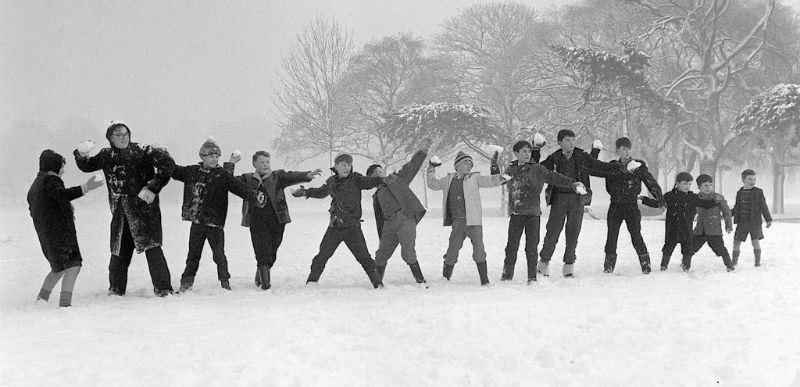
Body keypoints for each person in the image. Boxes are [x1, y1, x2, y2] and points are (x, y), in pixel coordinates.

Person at [74, 122, 176, 296]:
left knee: (153, 250)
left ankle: (164, 289)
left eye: (125, 134)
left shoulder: (143, 151)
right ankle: (116, 289)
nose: (123, 138)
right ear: (110, 139)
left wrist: (152, 188)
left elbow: (168, 165)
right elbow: (87, 166)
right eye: (118, 135)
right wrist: (81, 153)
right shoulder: (107, 154)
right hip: (120, 213)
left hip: (144, 211)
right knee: (119, 252)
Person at [171, 137, 267, 292]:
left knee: (219, 255)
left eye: (216, 156)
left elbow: (240, 188)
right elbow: (174, 170)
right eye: (210, 156)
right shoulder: (192, 171)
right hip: (197, 222)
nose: (214, 159)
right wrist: (162, 156)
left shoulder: (223, 175)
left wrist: (255, 197)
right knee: (193, 255)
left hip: (215, 223)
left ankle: (225, 282)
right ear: (202, 156)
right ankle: (186, 283)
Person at [226, 150, 320, 289]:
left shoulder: (277, 176)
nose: (265, 165)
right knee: (261, 248)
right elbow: (229, 181)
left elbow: (291, 176)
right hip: (256, 219)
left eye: (267, 162)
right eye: (262, 162)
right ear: (254, 164)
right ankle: (265, 282)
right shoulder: (247, 178)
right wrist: (230, 164)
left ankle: (261, 270)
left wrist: (307, 175)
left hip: (277, 220)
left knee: (272, 250)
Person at [537, 130, 623, 277]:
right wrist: (535, 150)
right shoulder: (555, 158)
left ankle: (569, 266)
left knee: (573, 233)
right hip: (559, 199)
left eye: (573, 140)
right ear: (560, 142)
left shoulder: (581, 156)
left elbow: (598, 166)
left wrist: (619, 166)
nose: (571, 143)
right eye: (568, 140)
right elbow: (538, 170)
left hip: (577, 200)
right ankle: (543, 263)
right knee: (552, 232)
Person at [292, 153, 384, 288]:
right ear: (336, 166)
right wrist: (306, 192)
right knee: (322, 255)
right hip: (335, 226)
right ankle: (312, 281)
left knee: (364, 257)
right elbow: (321, 192)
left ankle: (378, 283)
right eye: (343, 165)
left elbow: (370, 182)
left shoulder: (356, 179)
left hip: (352, 227)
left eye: (349, 165)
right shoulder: (331, 181)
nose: (347, 168)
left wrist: (383, 179)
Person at [29, 150, 104, 307]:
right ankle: (65, 304)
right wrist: (86, 187)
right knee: (73, 264)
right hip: (60, 234)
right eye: (61, 166)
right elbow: (62, 195)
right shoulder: (50, 181)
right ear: (53, 166)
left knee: (58, 268)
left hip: (47, 234)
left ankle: (41, 300)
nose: (63, 170)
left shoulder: (37, 184)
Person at [501, 140, 579, 284]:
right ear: (516, 153)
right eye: (523, 151)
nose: (527, 154)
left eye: (529, 151)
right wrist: (495, 167)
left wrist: (571, 183)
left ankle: (532, 277)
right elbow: (499, 180)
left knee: (531, 247)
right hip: (516, 213)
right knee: (512, 246)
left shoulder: (537, 168)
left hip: (533, 214)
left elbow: (553, 177)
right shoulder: (510, 169)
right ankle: (507, 275)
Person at [427, 151, 504, 286]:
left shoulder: (475, 178)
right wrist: (431, 169)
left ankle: (484, 280)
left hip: (474, 222)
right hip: (458, 222)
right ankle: (445, 278)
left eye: (470, 163)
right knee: (452, 250)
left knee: (479, 250)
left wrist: (498, 170)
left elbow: (492, 181)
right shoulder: (448, 180)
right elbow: (432, 184)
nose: (469, 165)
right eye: (465, 162)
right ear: (457, 166)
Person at [593, 137, 664, 274]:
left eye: (628, 148)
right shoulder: (613, 166)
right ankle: (609, 264)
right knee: (612, 236)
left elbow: (651, 183)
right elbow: (595, 169)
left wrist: (660, 199)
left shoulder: (638, 166)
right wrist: (595, 152)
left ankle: (645, 263)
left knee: (636, 235)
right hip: (615, 206)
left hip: (631, 206)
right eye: (623, 149)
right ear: (617, 150)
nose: (627, 151)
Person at [366, 139, 431, 286]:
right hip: (389, 224)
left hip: (404, 218)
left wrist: (422, 152)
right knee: (381, 254)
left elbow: (411, 167)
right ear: (370, 180)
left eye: (380, 171)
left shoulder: (396, 179)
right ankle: (378, 282)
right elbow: (379, 218)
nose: (379, 174)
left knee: (407, 253)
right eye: (374, 174)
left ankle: (420, 280)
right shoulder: (376, 196)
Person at [659, 172, 720, 271]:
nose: (687, 186)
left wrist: (715, 201)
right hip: (672, 228)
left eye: (689, 184)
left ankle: (686, 266)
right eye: (684, 183)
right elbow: (658, 203)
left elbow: (704, 204)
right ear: (677, 183)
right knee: (668, 247)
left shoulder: (692, 197)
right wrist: (644, 200)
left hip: (686, 228)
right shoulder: (670, 196)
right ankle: (663, 266)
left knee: (687, 248)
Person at [691, 174, 734, 272]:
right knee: (691, 248)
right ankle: (685, 265)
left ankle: (729, 265)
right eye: (705, 185)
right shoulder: (696, 198)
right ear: (699, 187)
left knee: (721, 249)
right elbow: (690, 212)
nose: (708, 187)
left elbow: (727, 212)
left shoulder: (718, 197)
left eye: (710, 185)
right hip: (700, 230)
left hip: (714, 230)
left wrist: (728, 225)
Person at [731, 169, 772, 267]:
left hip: (755, 222)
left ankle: (757, 262)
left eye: (754, 179)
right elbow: (737, 207)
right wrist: (727, 214)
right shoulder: (739, 192)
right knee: (736, 241)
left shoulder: (758, 192)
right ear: (743, 180)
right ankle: (734, 261)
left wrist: (768, 219)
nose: (752, 181)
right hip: (742, 222)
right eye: (750, 179)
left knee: (755, 241)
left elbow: (763, 206)